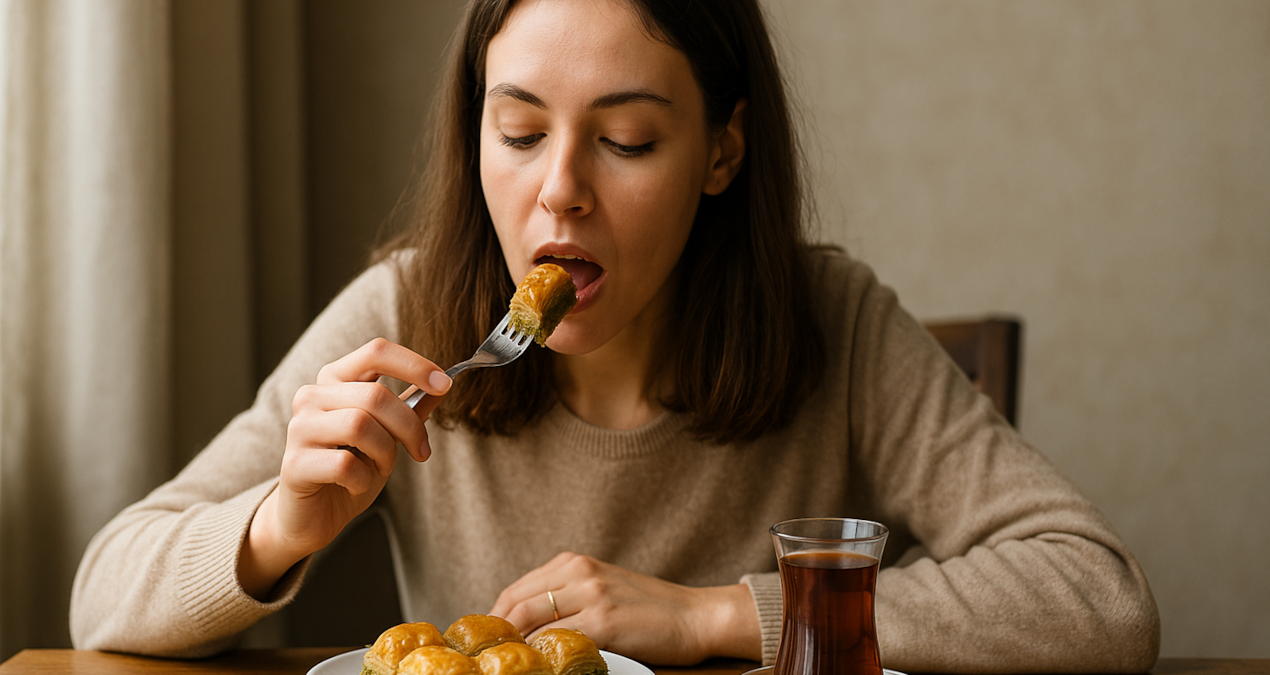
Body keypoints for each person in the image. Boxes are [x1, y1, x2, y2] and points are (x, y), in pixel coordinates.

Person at [69, 0, 1161, 671]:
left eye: (627, 140)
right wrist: (276, 526)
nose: (559, 193)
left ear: (721, 155)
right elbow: (99, 598)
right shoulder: (405, 317)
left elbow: (1096, 600)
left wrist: (718, 618)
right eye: (520, 130)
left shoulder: (833, 320)